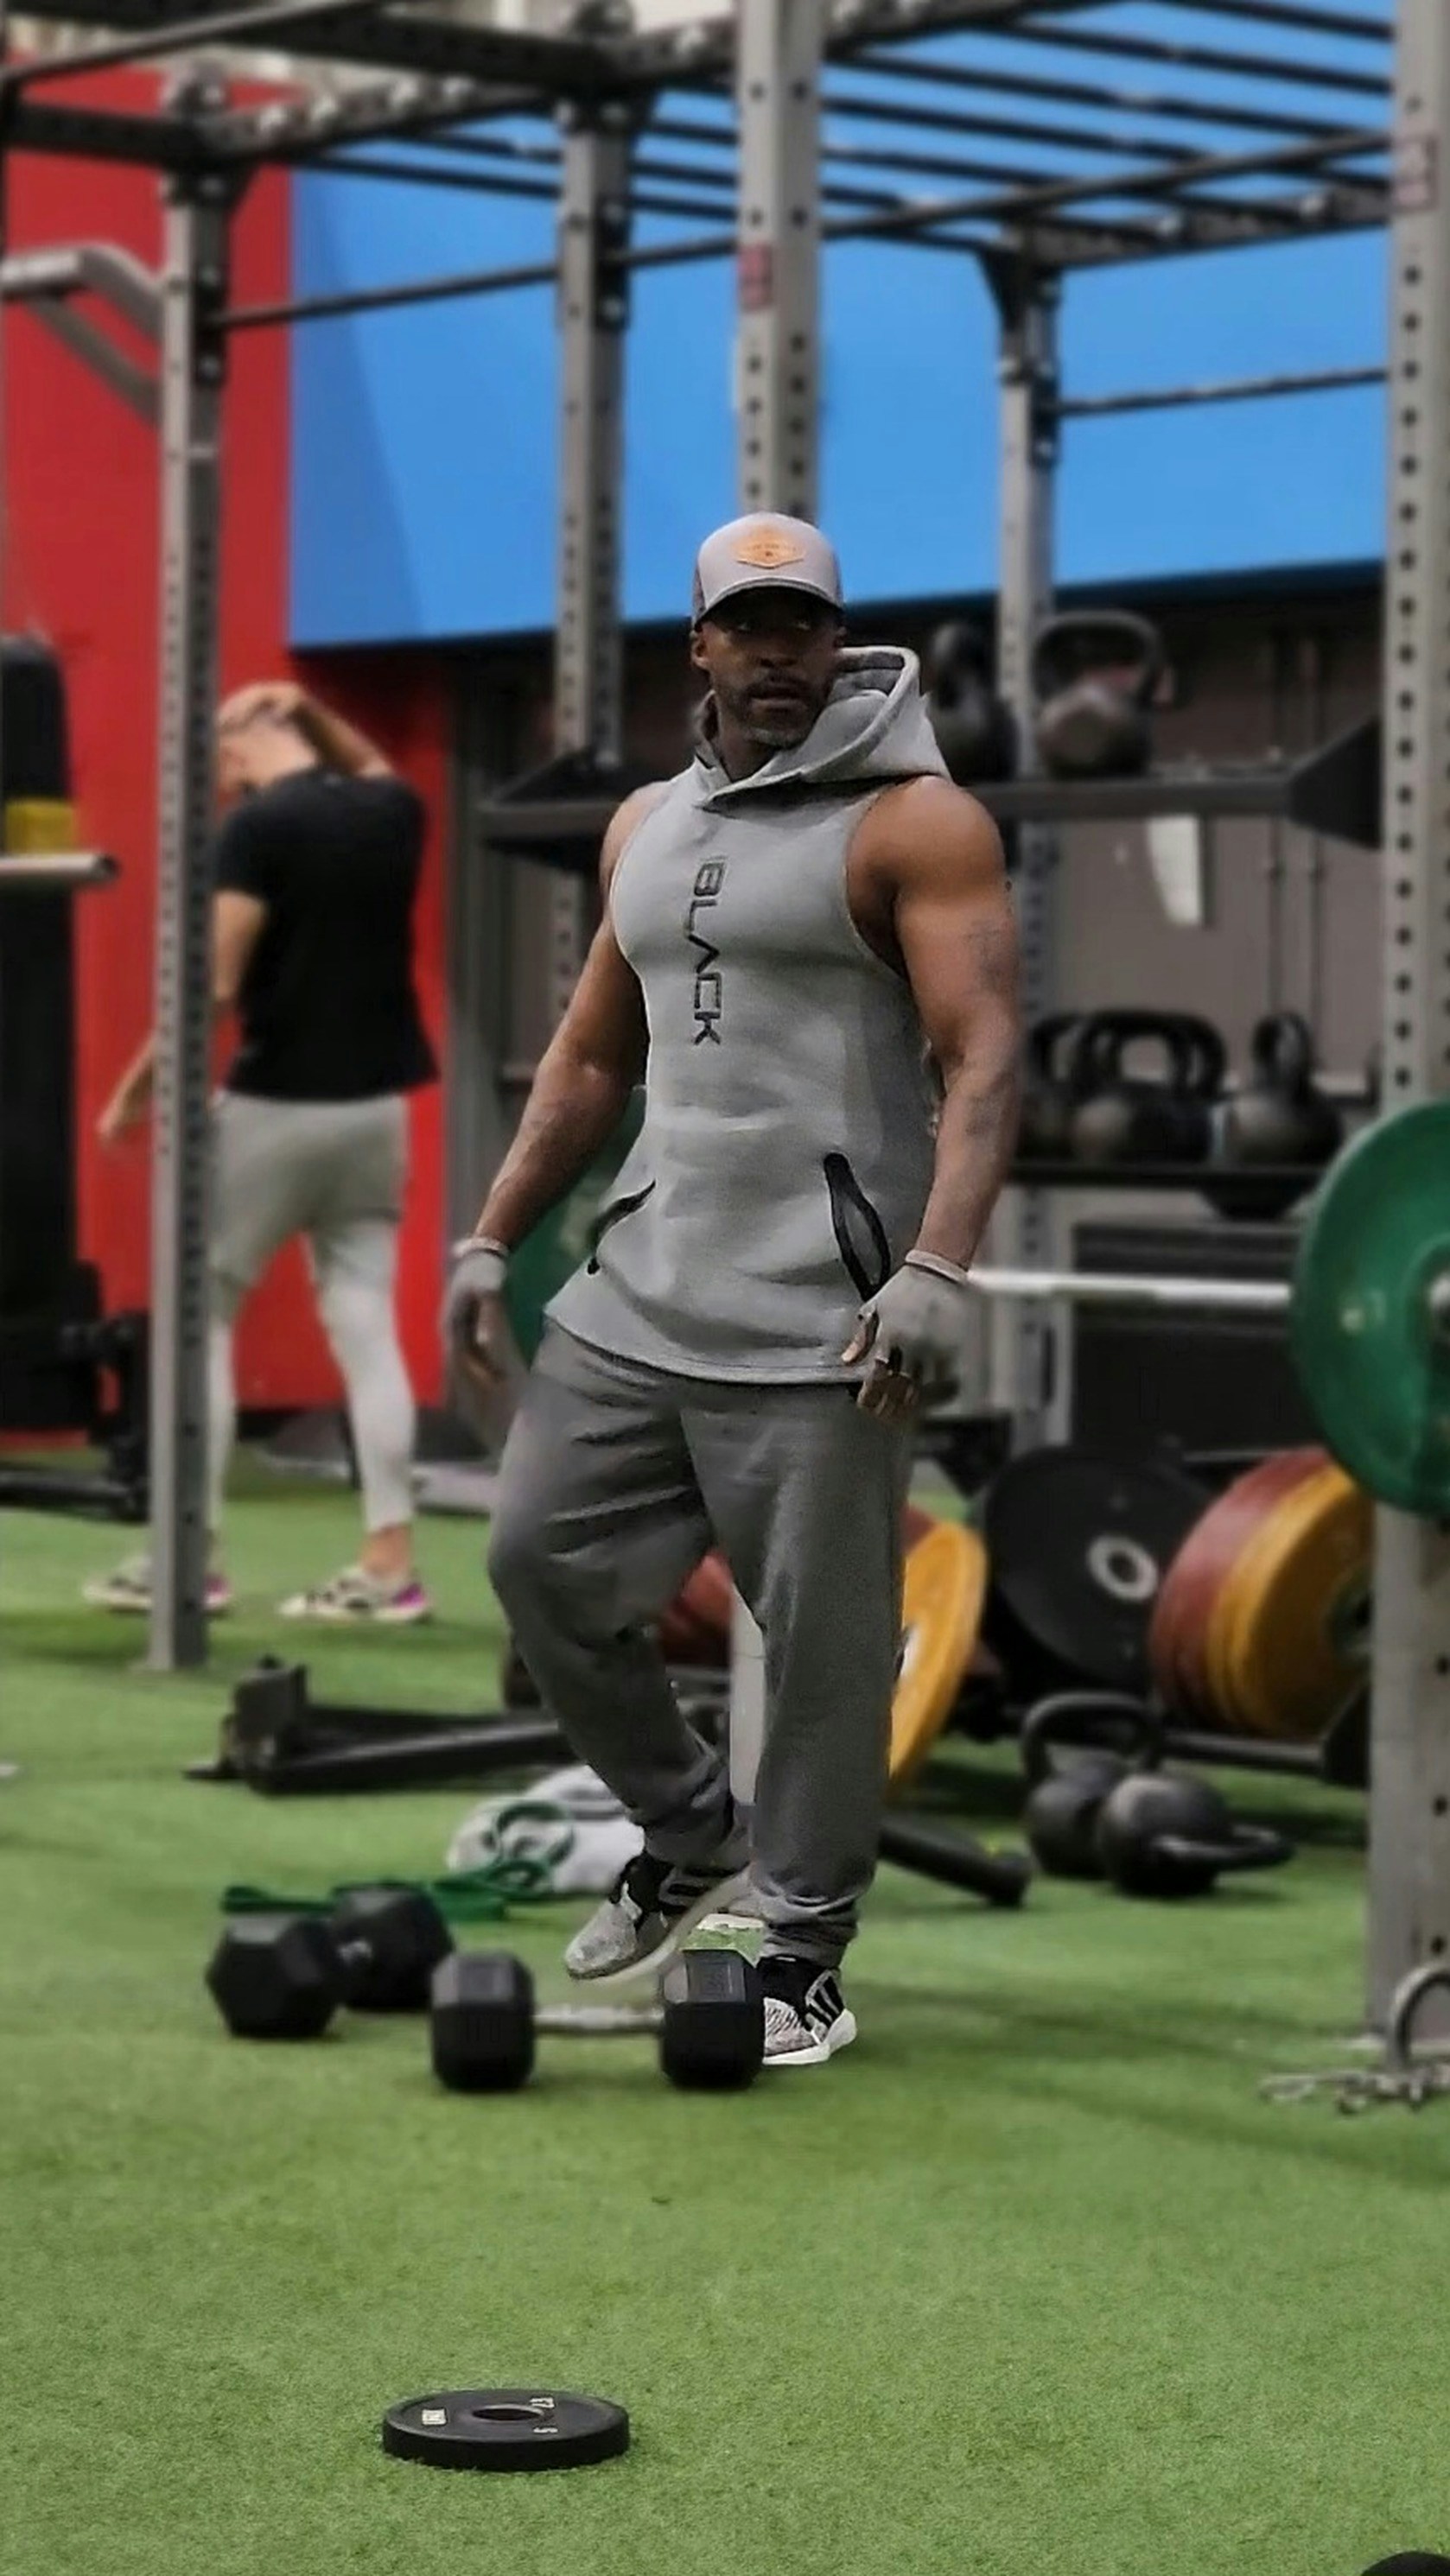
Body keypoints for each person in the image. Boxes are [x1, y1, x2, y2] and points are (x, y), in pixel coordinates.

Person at [444, 511, 1020, 2067]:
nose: (777, 656)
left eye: (803, 628)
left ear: (838, 641)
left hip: (823, 1312)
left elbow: (982, 1056)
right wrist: (491, 1232)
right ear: (696, 645)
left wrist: (936, 1263)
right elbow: (583, 1058)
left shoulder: (916, 821)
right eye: (746, 628)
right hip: (641, 1286)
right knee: (534, 1563)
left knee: (821, 1644)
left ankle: (805, 1947)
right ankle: (690, 1822)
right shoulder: (643, 824)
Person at [87, 682, 436, 1623]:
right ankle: (389, 1563)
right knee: (364, 1325)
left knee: (198, 1316)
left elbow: (214, 982)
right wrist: (302, 711)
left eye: (222, 750)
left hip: (277, 1106)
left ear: (246, 743)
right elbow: (364, 759)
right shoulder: (388, 809)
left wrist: (134, 1092)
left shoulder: (255, 830)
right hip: (376, 1113)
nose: (220, 771)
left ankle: (187, 1559)